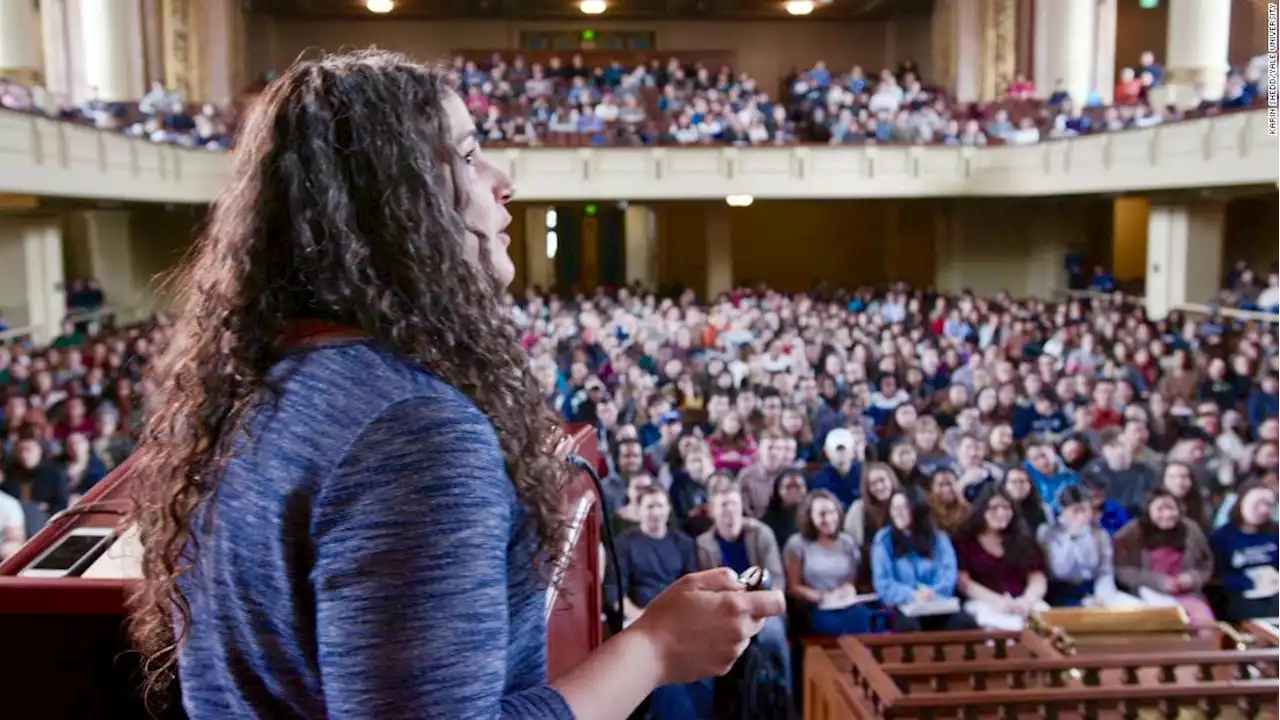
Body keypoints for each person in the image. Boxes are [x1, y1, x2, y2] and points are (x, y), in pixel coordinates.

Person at [126, 51, 784, 720]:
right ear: (396, 203)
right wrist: (654, 649)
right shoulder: (412, 429)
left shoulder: (266, 380)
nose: (505, 182)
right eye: (469, 156)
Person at [870, 489, 976, 631]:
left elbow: (948, 576)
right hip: (902, 604)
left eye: (904, 507)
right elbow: (883, 583)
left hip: (936, 601)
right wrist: (912, 595)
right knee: (909, 628)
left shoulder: (939, 539)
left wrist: (932, 592)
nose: (898, 513)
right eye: (894, 508)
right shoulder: (884, 540)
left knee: (964, 623)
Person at [1114, 489, 1216, 626]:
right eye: (1160, 509)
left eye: (1171, 508)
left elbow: (1205, 564)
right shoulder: (1131, 533)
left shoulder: (1190, 529)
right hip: (1146, 597)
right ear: (1148, 510)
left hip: (1187, 595)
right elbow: (1122, 570)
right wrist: (1158, 581)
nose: (1167, 514)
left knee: (1206, 626)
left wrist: (1192, 578)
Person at [954, 486, 1049, 630]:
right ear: (982, 511)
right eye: (994, 508)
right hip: (983, 601)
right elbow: (964, 583)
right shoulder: (965, 541)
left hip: (1021, 601)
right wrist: (998, 602)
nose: (1001, 513)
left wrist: (1027, 601)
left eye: (1006, 508)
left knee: (1045, 618)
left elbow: (1037, 578)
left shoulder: (1023, 540)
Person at [784, 489, 872, 636]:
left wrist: (846, 589)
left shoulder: (847, 542)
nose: (829, 518)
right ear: (810, 516)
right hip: (814, 604)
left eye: (832, 512)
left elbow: (851, 580)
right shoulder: (797, 544)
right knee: (833, 626)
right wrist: (820, 596)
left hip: (844, 602)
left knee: (861, 618)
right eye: (822, 514)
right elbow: (794, 587)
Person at [1036, 486, 1141, 608]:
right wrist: (1073, 538)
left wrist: (1102, 596)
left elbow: (1105, 572)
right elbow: (1060, 571)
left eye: (1085, 510)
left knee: (1133, 606)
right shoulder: (1047, 533)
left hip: (1092, 589)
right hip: (1060, 591)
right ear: (1063, 510)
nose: (1081, 516)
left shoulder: (1100, 534)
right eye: (1075, 511)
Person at [1209, 481, 1280, 621]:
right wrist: (1251, 582)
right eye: (1257, 504)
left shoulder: (1276, 533)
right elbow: (1217, 577)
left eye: (1268, 505)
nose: (1263, 510)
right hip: (1239, 595)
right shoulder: (1222, 537)